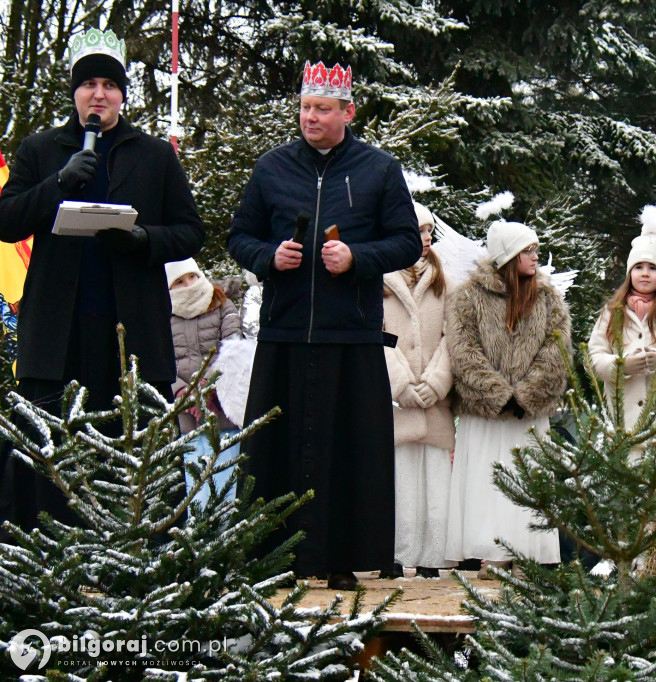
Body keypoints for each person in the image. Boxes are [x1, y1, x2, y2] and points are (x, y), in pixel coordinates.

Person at [0, 27, 204, 532]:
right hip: (57, 331)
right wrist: (59, 183)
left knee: (133, 448)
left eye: (109, 85)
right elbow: (6, 222)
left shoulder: (154, 155)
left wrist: (142, 239)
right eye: (89, 84)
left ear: (122, 95)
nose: (98, 94)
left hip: (130, 332)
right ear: (75, 93)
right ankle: (45, 547)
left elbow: (190, 231)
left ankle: (142, 549)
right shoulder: (41, 149)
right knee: (49, 448)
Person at [227, 60, 421, 591]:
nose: (310, 117)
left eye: (322, 109)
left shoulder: (379, 169)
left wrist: (358, 257)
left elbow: (407, 241)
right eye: (305, 107)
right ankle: (272, 557)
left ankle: (343, 559)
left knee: (349, 453)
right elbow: (239, 237)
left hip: (350, 334)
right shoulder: (272, 168)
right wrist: (268, 257)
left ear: (348, 112)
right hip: (285, 333)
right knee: (275, 452)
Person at [445, 221, 571, 577]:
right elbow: (463, 350)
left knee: (527, 479)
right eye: (527, 250)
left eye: (535, 249)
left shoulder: (548, 298)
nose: (535, 256)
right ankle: (495, 556)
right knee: (487, 481)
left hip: (527, 415)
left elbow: (557, 350)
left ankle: (526, 557)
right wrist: (497, 394)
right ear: (508, 255)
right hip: (486, 413)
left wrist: (527, 394)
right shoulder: (469, 297)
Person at [382, 202, 456, 579]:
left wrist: (435, 382)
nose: (426, 238)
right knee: (401, 479)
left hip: (435, 402)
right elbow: (378, 338)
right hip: (397, 404)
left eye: (429, 231)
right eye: (418, 231)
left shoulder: (445, 281)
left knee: (437, 479)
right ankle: (399, 553)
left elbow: (453, 337)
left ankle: (435, 556)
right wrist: (402, 384)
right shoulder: (378, 281)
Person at [588, 204, 656, 451]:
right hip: (622, 427)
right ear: (630, 272)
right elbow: (595, 358)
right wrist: (621, 365)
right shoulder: (612, 312)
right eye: (639, 267)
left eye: (653, 268)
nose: (645, 274)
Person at [166, 258, 242, 511]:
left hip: (223, 410)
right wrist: (182, 391)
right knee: (196, 489)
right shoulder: (164, 315)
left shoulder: (222, 304)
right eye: (179, 281)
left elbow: (232, 345)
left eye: (192, 277)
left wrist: (207, 386)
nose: (189, 285)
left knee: (226, 482)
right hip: (186, 416)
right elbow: (162, 358)